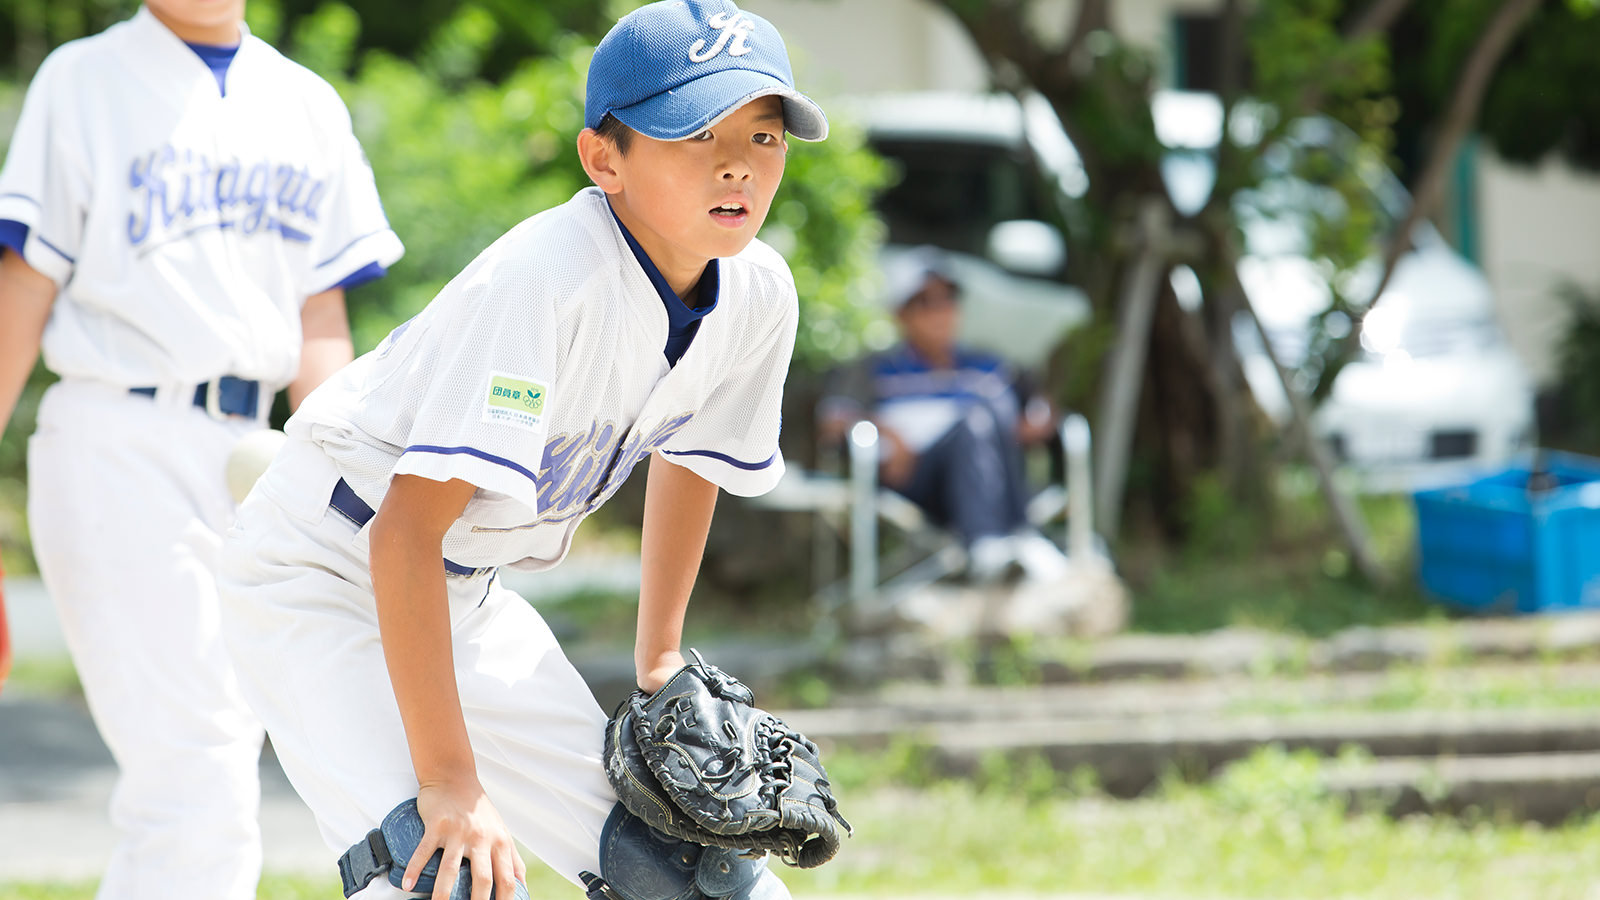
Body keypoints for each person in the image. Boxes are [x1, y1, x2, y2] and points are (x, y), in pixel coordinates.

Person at [215, 2, 826, 898]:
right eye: (695, 132)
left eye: (764, 135)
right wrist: (452, 783)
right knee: (442, 871)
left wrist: (659, 659)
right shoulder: (544, 280)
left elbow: (691, 453)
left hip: (466, 598)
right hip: (322, 573)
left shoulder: (759, 292)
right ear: (603, 158)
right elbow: (403, 537)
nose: (737, 161)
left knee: (698, 882)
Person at [0, 2, 403, 898]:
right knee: (196, 769)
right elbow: (23, 288)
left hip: (258, 448)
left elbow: (318, 320)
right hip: (118, 432)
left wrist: (350, 486)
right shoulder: (84, 78)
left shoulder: (305, 101)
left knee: (224, 752)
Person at [819, 247, 1070, 583]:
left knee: (985, 415)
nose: (940, 312)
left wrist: (1038, 419)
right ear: (900, 314)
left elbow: (1040, 410)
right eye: (925, 302)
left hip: (993, 472)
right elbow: (833, 421)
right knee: (975, 421)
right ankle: (1002, 542)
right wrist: (887, 433)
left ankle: (1002, 543)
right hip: (916, 479)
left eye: (948, 300)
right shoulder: (876, 370)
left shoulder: (989, 366)